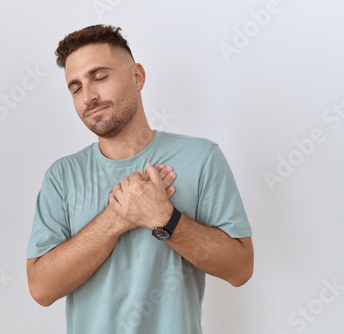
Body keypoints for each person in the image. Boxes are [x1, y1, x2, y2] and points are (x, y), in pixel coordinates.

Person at [26, 24, 254, 334]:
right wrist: (116, 217)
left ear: (137, 77)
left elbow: (240, 269)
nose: (89, 97)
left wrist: (165, 218)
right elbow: (41, 289)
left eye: (99, 77)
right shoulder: (61, 176)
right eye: (76, 87)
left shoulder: (202, 157)